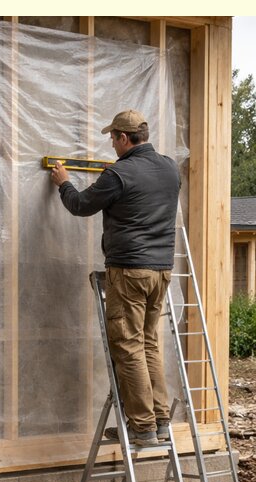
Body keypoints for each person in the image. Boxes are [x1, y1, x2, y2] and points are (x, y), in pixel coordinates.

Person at [51, 109, 180, 447]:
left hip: (129, 271)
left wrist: (64, 183)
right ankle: (160, 419)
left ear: (124, 138)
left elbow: (80, 205)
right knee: (149, 342)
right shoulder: (169, 168)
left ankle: (142, 427)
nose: (111, 143)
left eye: (113, 138)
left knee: (128, 345)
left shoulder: (120, 174)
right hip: (161, 270)